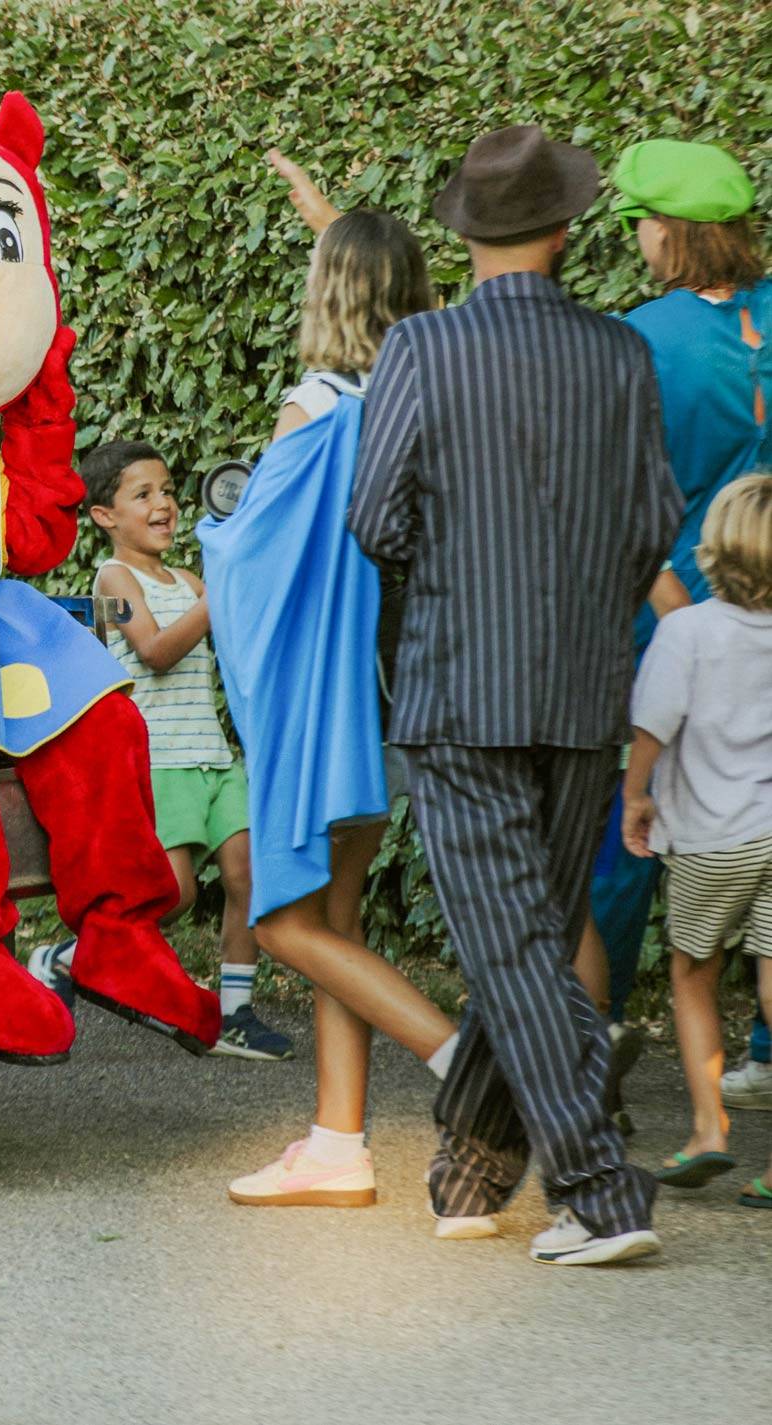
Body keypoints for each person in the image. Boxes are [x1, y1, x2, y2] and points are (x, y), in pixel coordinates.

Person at [349, 125, 682, 1265]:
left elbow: (373, 519)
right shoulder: (620, 351)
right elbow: (653, 520)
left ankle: (599, 1191)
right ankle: (474, 1168)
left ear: (466, 232)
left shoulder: (421, 347)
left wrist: (457, 580)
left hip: (460, 686)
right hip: (586, 686)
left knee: (512, 947)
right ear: (566, 228)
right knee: (527, 937)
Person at [202, 206, 456, 1213]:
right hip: (401, 689)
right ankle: (336, 1142)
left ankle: (467, 1059)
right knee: (334, 920)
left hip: (323, 700)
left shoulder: (314, 406)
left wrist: (217, 534)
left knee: (280, 924)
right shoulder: (431, 396)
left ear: (325, 293)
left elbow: (254, 560)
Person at [588, 139, 772, 1089]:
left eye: (638, 225)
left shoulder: (641, 338)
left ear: (666, 230)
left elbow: (616, 494)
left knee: (631, 826)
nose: (638, 242)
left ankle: (598, 1030)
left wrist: (667, 605)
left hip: (670, 616)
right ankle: (766, 1050)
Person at [81, 440, 292, 1061]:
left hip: (214, 759)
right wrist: (218, 597)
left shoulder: (192, 581)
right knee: (173, 896)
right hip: (160, 761)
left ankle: (235, 1014)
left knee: (247, 876)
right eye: (143, 494)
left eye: (168, 490)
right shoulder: (112, 581)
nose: (165, 504)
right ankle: (75, 955)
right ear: (104, 516)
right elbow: (154, 651)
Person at [620, 475, 772, 1205]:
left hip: (714, 837)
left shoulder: (687, 632)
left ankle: (710, 1130)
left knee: (692, 972)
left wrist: (635, 795)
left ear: (714, 547)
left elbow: (653, 724)